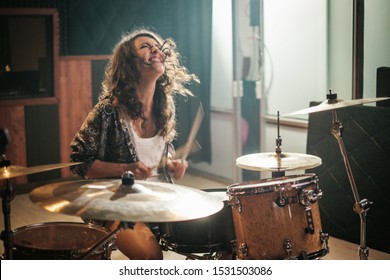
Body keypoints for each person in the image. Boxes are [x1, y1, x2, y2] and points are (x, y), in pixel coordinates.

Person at [69, 27, 199, 260]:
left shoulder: (164, 109)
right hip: (116, 205)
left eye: (157, 47)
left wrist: (170, 164)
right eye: (145, 47)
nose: (156, 50)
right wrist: (124, 169)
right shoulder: (108, 110)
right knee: (150, 256)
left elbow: (158, 156)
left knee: (218, 235)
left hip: (157, 200)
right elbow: (79, 161)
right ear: (129, 63)